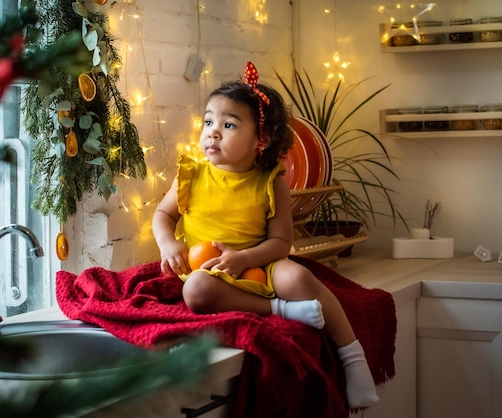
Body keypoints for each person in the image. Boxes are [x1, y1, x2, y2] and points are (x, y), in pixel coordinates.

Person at [151, 62, 379, 408]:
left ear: (262, 139)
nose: (212, 132)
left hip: (259, 264)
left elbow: (280, 243)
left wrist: (243, 257)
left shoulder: (270, 181)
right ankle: (280, 310)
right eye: (209, 121)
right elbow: (162, 215)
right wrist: (169, 243)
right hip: (211, 272)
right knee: (194, 290)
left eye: (228, 125)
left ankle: (352, 355)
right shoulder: (190, 176)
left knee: (299, 276)